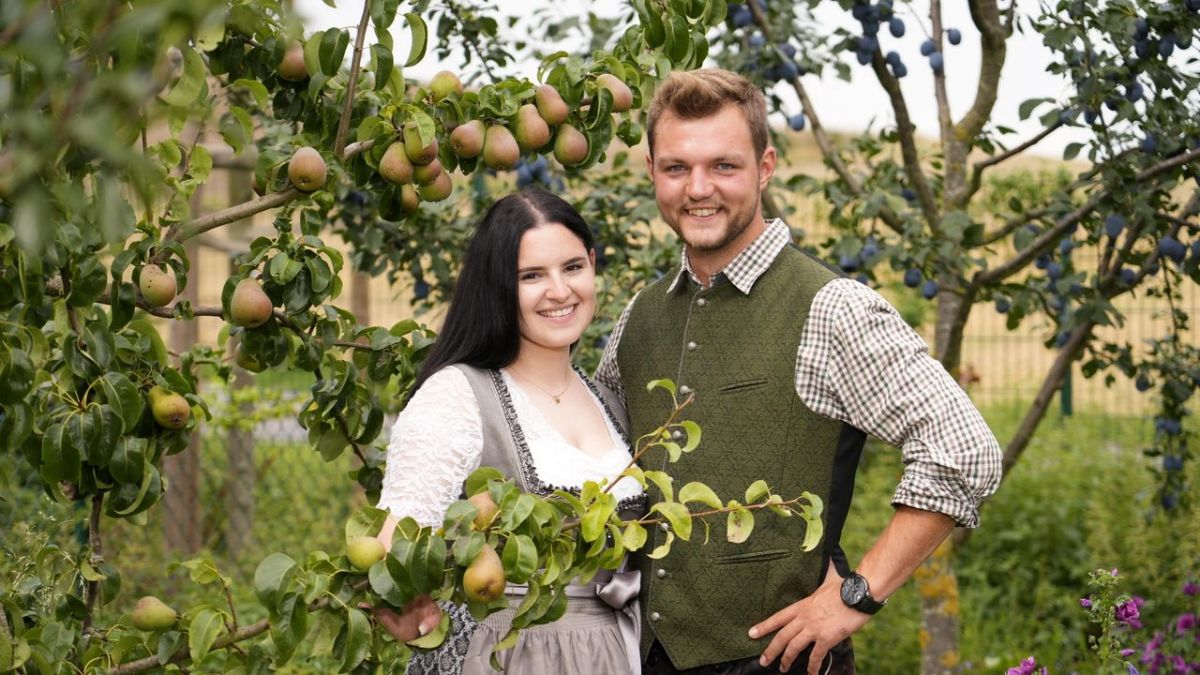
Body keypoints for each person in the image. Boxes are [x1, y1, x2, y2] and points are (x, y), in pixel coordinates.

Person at [594, 69, 1004, 675]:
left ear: (765, 167)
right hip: (640, 657)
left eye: (724, 166)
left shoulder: (832, 308)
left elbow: (964, 452)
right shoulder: (639, 317)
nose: (698, 187)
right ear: (652, 170)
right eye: (677, 167)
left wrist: (856, 593)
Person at [373, 188, 646, 674]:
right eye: (532, 276)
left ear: (592, 263)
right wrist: (408, 607)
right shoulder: (457, 395)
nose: (560, 291)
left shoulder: (609, 399)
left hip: (613, 654)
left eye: (572, 267)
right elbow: (399, 543)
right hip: (508, 655)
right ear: (498, 285)